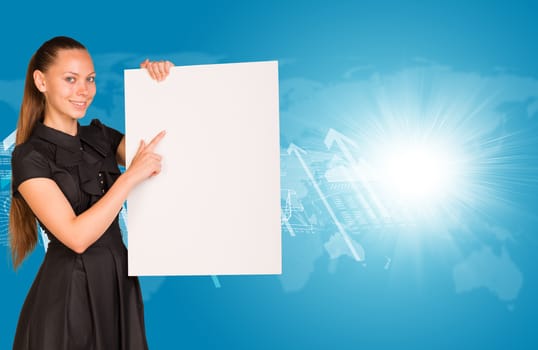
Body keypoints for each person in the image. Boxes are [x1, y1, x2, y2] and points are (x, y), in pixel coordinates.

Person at [9, 36, 173, 349]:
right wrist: (129, 179)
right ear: (41, 81)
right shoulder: (29, 156)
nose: (84, 90)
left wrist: (157, 88)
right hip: (69, 294)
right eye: (70, 79)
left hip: (118, 283)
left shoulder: (100, 137)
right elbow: (76, 237)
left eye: (90, 79)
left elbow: (161, 154)